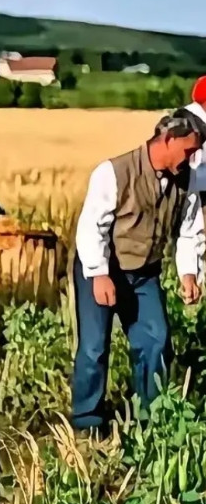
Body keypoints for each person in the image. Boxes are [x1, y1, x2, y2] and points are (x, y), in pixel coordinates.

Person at [71, 108, 206, 434]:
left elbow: (189, 229)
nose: (193, 158)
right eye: (189, 150)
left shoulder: (185, 179)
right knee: (94, 347)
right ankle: (87, 423)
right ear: (168, 139)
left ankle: (151, 419)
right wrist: (99, 272)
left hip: (145, 273)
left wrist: (189, 272)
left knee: (156, 341)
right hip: (104, 268)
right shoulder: (113, 172)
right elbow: (92, 227)